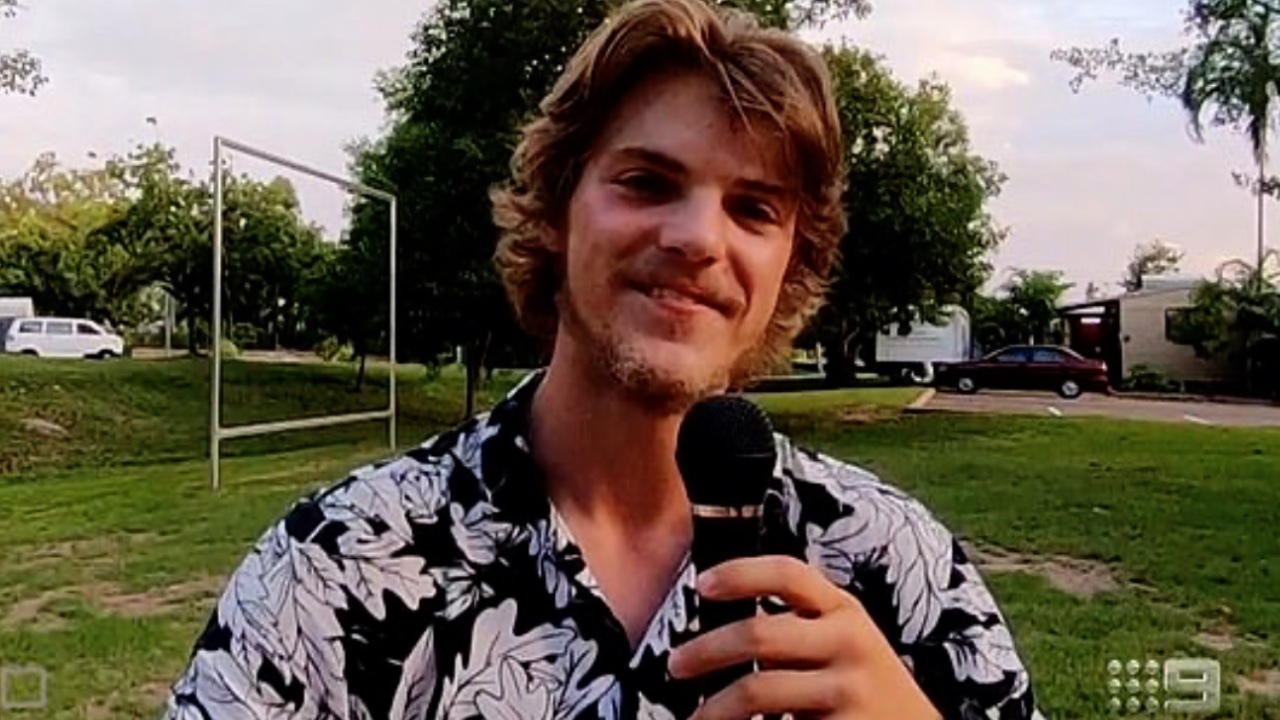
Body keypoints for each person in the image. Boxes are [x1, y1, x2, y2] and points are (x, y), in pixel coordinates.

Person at [164, 0, 1045, 718]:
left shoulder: (896, 564)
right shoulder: (334, 567)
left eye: (753, 209)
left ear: (793, 263)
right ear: (556, 211)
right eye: (647, 183)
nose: (698, 239)